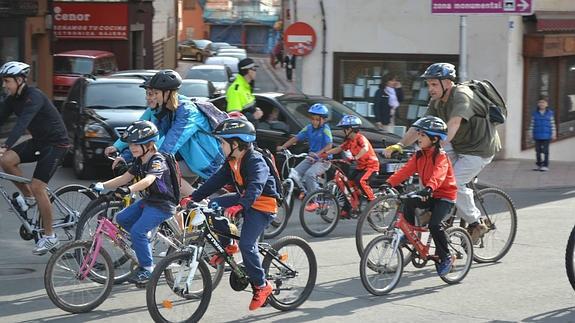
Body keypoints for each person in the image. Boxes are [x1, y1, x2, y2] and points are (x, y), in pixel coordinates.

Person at [384, 63, 500, 243]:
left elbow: (453, 124)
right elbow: (420, 127)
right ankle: (433, 209)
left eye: (434, 84)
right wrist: (400, 144)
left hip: (479, 149)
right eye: (428, 85)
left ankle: (477, 223)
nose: (430, 89)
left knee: (454, 181)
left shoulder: (462, 96)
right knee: (427, 165)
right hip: (458, 143)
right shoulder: (436, 101)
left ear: (447, 83)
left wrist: (434, 150)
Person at [180, 118, 277, 311]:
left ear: (235, 144)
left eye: (223, 142)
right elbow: (215, 181)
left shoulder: (255, 160)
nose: (220, 145)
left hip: (263, 205)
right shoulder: (232, 160)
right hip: (244, 199)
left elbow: (257, 185)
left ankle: (262, 285)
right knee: (214, 204)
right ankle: (227, 247)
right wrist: (193, 197)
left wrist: (240, 205)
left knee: (248, 245)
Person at [105, 70, 224, 196]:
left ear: (167, 93)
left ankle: (200, 202)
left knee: (164, 173)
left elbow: (171, 143)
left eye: (155, 93)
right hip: (186, 158)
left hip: (205, 161)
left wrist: (151, 162)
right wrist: (126, 156)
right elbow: (147, 140)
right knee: (172, 200)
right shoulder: (165, 111)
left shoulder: (187, 112)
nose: (151, 97)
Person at [92, 121, 177, 285]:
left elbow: (149, 179)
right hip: (149, 201)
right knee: (122, 218)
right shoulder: (140, 160)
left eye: (137, 144)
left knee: (138, 231)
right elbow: (125, 178)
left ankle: (147, 269)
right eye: (131, 144)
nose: (132, 147)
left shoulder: (157, 160)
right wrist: (103, 185)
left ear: (151, 144)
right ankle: (143, 243)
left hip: (163, 205)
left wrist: (129, 190)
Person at [0, 61, 71, 255]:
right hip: (39, 141)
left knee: (39, 186)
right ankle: (29, 197)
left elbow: (22, 123)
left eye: (7, 81)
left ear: (20, 80)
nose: (4, 85)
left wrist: (5, 145)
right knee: (6, 161)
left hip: (57, 144)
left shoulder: (34, 96)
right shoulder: (12, 99)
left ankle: (50, 237)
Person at [386, 116, 457, 276]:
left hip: (445, 196)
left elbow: (439, 174)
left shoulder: (441, 156)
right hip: (430, 193)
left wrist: (430, 188)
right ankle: (408, 234)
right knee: (409, 200)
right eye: (418, 134)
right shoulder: (419, 155)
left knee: (434, 225)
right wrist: (389, 183)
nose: (418, 138)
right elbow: (405, 171)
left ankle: (446, 257)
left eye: (422, 135)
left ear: (435, 139)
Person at [320, 115, 379, 218]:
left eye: (344, 129)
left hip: (371, 166)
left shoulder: (360, 138)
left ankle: (373, 202)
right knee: (348, 184)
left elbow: (365, 149)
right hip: (360, 167)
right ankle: (349, 209)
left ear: (350, 129)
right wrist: (325, 154)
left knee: (361, 181)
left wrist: (356, 157)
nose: (343, 131)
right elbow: (339, 148)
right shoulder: (349, 141)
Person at [276, 103, 332, 205]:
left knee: (309, 174)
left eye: (317, 119)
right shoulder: (308, 128)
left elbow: (329, 146)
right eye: (312, 119)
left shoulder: (325, 129)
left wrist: (318, 154)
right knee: (295, 173)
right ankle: (305, 191)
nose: (314, 121)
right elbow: (296, 137)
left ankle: (316, 200)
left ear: (323, 120)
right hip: (311, 158)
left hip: (323, 160)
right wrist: (283, 146)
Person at [226, 58, 263, 125]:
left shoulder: (246, 87)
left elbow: (247, 107)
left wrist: (256, 109)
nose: (256, 71)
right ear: (247, 70)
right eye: (254, 69)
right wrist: (253, 117)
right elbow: (234, 119)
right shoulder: (235, 90)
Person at [529, 95, 556, 171]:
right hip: (537, 135)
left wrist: (554, 133)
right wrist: (530, 133)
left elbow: (553, 124)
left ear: (547, 104)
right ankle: (539, 164)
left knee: (545, 151)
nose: (542, 104)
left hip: (546, 136)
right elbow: (532, 124)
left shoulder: (550, 113)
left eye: (543, 102)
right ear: (538, 104)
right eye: (540, 102)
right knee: (537, 151)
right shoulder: (535, 114)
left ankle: (545, 165)